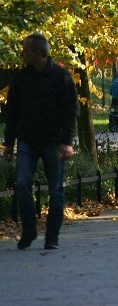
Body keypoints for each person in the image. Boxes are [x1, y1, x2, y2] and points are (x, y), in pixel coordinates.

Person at [3, 34, 78, 250]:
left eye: (25, 51)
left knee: (56, 190)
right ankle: (29, 231)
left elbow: (70, 111)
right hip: (27, 140)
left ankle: (52, 236)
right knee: (23, 184)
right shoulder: (21, 78)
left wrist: (67, 142)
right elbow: (12, 111)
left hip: (54, 142)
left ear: (37, 54)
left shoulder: (60, 77)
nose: (21, 54)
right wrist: (9, 143)